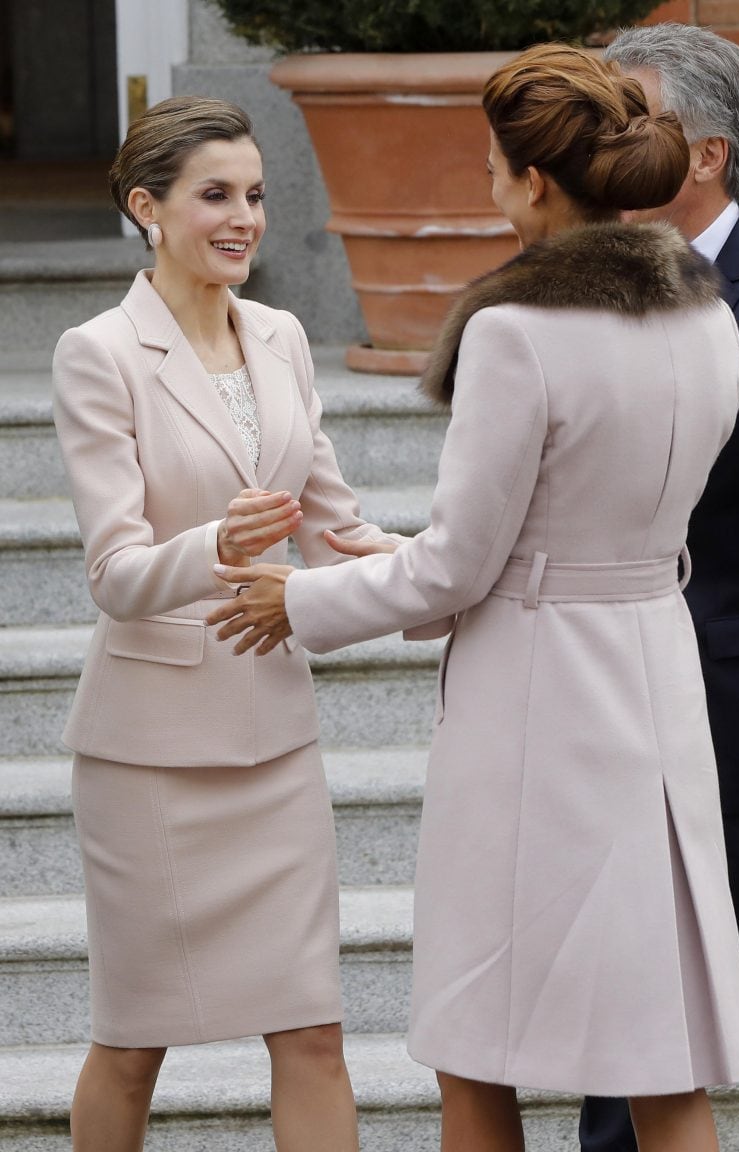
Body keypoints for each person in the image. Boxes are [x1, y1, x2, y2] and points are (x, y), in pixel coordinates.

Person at [207, 43, 739, 1152]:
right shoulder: (707, 318)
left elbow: (461, 565)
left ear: (537, 183)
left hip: (537, 707)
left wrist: (302, 601)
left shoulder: (515, 331)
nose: (490, 186)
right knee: (664, 1059)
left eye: (495, 168)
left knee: (479, 1047)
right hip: (658, 674)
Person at [52, 94, 396, 1152]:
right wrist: (220, 545)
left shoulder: (285, 336)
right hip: (150, 760)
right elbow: (113, 575)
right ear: (146, 208)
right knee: (133, 1043)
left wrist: (447, 569)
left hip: (274, 744)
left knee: (316, 1036)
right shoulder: (98, 353)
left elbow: (338, 524)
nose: (244, 216)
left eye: (254, 193)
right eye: (216, 195)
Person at [576, 24, 739, 1152]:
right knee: (630, 1012)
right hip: (616, 710)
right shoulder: (575, 293)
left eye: (626, 114)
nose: (600, 143)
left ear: (702, 155)